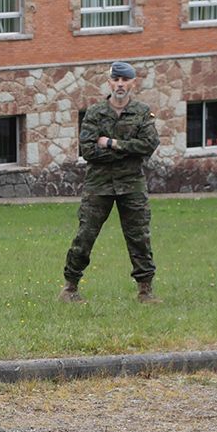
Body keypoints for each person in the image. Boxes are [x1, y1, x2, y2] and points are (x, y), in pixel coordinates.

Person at [61, 60, 161, 304]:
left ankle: (145, 291)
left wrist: (111, 143)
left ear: (132, 83)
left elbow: (149, 145)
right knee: (85, 235)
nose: (120, 84)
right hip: (99, 185)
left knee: (139, 236)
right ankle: (70, 287)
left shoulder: (141, 112)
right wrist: (129, 151)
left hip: (131, 185)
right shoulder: (95, 113)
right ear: (109, 82)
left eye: (124, 80)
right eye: (115, 80)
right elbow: (87, 151)